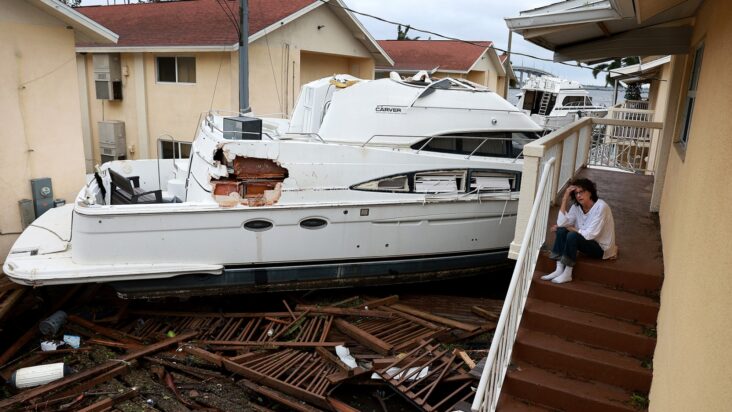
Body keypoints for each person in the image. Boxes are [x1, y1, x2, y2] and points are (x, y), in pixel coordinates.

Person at [541, 178, 617, 284]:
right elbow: (562, 223)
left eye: (581, 192)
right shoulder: (576, 207)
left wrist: (571, 228)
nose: (578, 195)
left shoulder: (601, 207)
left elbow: (590, 235)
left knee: (572, 235)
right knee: (562, 230)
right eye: (576, 193)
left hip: (600, 249)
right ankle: (559, 269)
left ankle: (567, 273)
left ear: (590, 192)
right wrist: (565, 198)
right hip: (586, 242)